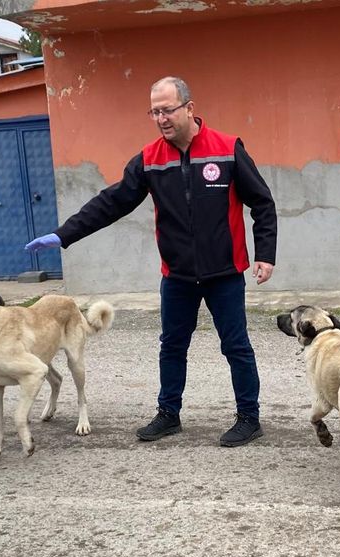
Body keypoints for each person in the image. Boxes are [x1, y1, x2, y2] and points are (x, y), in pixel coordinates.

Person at [26, 76, 277, 447]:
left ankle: (249, 418)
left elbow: (262, 202)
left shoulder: (226, 149)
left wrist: (265, 254)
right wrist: (64, 235)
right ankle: (168, 414)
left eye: (167, 110)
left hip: (224, 272)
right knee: (171, 346)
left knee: (236, 346)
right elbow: (111, 202)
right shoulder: (150, 159)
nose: (161, 119)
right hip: (177, 275)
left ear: (189, 108)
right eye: (154, 112)